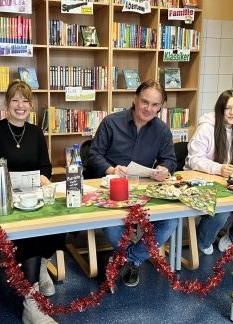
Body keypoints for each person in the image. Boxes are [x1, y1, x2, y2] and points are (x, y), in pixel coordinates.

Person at [0, 79, 62, 324]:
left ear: (31, 106)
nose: (20, 105)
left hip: (33, 198)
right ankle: (31, 304)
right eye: (15, 100)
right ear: (6, 103)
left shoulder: (35, 132)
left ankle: (42, 265)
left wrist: (44, 177)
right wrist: (3, 181)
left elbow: (45, 167)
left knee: (57, 218)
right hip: (4, 202)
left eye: (25, 101)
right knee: (31, 233)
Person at [88, 80, 178, 289]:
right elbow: (94, 154)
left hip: (144, 189)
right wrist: (111, 169)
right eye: (144, 102)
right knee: (112, 226)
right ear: (135, 100)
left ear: (160, 107)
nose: (148, 108)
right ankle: (133, 260)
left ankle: (129, 259)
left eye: (155, 105)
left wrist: (165, 169)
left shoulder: (162, 130)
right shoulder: (111, 122)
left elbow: (170, 160)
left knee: (170, 221)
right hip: (112, 188)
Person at [185, 90, 233, 255]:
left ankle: (232, 237)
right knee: (222, 208)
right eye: (228, 108)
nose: (232, 113)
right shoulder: (207, 128)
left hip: (231, 179)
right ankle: (203, 240)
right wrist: (218, 168)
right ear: (220, 109)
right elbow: (193, 159)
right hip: (203, 180)